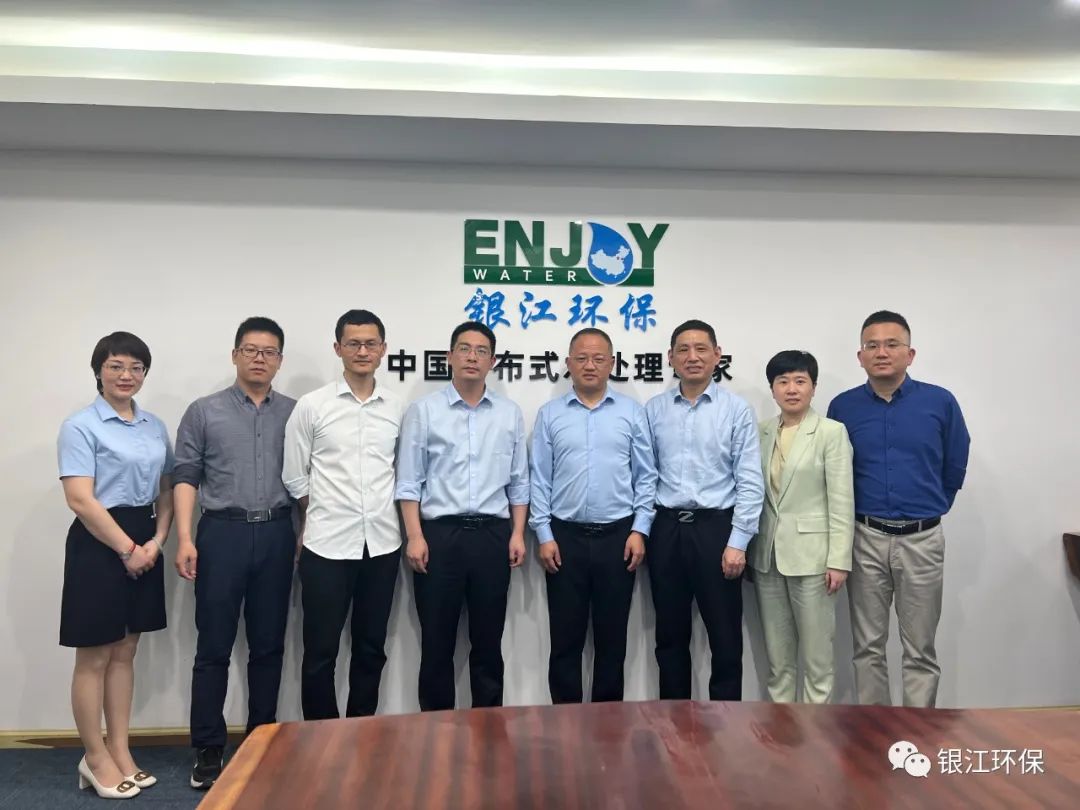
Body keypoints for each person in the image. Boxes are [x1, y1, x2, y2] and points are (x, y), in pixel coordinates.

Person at [172, 317, 296, 790]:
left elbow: (307, 479)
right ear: (235, 355)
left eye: (269, 351)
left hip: (278, 533)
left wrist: (303, 534)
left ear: (279, 360)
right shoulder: (204, 411)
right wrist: (185, 538)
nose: (259, 358)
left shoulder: (295, 413)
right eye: (251, 349)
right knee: (213, 646)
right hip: (220, 534)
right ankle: (208, 747)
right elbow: (186, 475)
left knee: (268, 645)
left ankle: (262, 738)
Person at [827, 310, 970, 708]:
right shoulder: (843, 407)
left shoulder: (940, 402)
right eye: (872, 345)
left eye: (892, 344)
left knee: (920, 648)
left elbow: (955, 461)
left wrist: (933, 506)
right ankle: (875, 733)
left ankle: (917, 734)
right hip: (865, 538)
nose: (882, 352)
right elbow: (835, 473)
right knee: (867, 647)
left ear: (910, 353)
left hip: (923, 540)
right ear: (860, 356)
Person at [57, 331, 174, 799]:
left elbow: (166, 490)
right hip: (98, 540)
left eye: (136, 367)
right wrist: (128, 549)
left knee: (126, 650)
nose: (127, 375)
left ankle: (120, 749)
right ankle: (94, 756)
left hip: (146, 537)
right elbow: (80, 499)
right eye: (116, 366)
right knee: (95, 654)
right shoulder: (80, 426)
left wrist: (157, 541)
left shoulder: (154, 426)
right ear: (99, 371)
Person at [396, 321, 529, 711]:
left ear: (493, 361)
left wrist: (517, 533)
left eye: (481, 351)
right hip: (440, 537)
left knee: (488, 642)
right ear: (449, 356)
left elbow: (519, 481)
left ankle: (488, 728)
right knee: (437, 643)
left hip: (493, 536)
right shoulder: (424, 411)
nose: (473, 357)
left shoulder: (509, 414)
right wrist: (415, 536)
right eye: (465, 349)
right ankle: (436, 731)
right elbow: (409, 481)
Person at [282, 310, 404, 720]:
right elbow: (295, 475)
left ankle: (362, 731)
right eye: (353, 343)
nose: (362, 351)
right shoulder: (313, 406)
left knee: (371, 648)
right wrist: (315, 515)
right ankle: (322, 737)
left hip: (382, 545)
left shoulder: (396, 408)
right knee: (321, 651)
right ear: (338, 349)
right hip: (327, 547)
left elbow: (400, 471)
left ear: (383, 350)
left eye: (370, 344)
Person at [530, 328, 656, 704]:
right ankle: (564, 723)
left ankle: (608, 725)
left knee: (612, 640)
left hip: (619, 538)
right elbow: (539, 478)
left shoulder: (631, 413)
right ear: (568, 363)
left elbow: (646, 476)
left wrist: (640, 530)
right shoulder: (550, 414)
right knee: (564, 641)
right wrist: (544, 534)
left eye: (599, 358)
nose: (590, 365)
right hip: (563, 539)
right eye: (582, 358)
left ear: (611, 364)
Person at [644, 319, 764, 701]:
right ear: (670, 357)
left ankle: (725, 726)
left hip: (717, 530)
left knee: (725, 639)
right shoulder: (654, 410)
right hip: (666, 530)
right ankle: (673, 724)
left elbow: (750, 480)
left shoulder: (736, 410)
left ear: (717, 355)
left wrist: (738, 542)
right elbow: (645, 477)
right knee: (669, 638)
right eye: (683, 349)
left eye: (701, 349)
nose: (692, 357)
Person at [749, 350, 854, 704]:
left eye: (800, 381)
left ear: (813, 387)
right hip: (768, 558)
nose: (791, 389)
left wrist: (839, 559)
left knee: (817, 660)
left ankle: (814, 730)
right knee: (778, 660)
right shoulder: (762, 431)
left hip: (814, 561)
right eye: (783, 382)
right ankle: (782, 727)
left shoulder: (831, 432)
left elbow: (842, 500)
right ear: (772, 388)